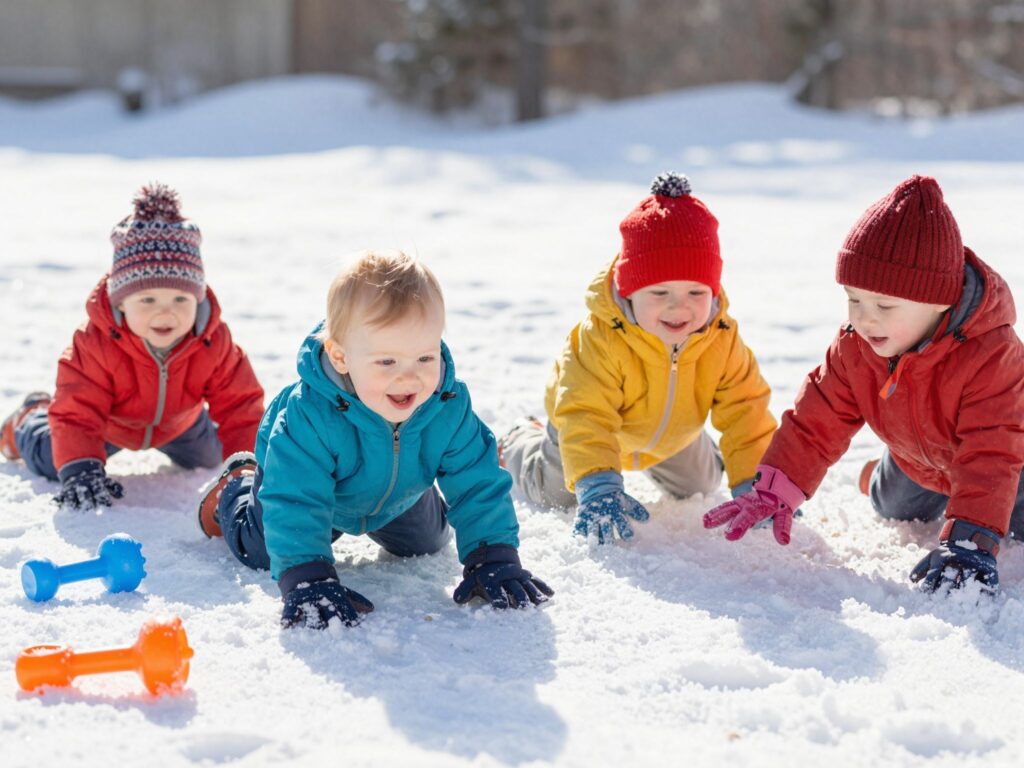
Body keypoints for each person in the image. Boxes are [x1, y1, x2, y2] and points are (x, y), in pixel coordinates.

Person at [704, 175, 1024, 594]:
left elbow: (992, 451)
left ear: (940, 300)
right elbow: (817, 418)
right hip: (917, 461)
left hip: (1010, 467)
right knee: (890, 506)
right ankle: (877, 477)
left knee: (1010, 526)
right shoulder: (857, 346)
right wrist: (776, 487)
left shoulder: (991, 354)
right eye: (854, 299)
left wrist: (971, 542)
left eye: (884, 306)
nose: (865, 317)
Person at [198, 251, 552, 629]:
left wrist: (493, 555)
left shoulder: (446, 403)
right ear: (340, 357)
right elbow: (295, 499)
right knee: (262, 551)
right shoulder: (308, 416)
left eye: (424, 358)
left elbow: (475, 479)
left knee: (427, 541)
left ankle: (411, 489)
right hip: (313, 494)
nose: (409, 377)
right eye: (387, 362)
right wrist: (308, 577)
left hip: (396, 493)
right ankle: (239, 485)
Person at [499, 172, 777, 544]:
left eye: (696, 291)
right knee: (555, 493)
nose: (679, 306)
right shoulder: (600, 338)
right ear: (630, 293)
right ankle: (521, 440)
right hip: (590, 430)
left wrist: (757, 485)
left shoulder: (721, 338)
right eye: (660, 292)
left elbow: (747, 410)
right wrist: (597, 482)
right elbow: (586, 414)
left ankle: (701, 448)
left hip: (671, 435)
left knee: (701, 485)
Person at [0, 183, 264, 510]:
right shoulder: (95, 343)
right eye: (148, 299)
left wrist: (248, 466)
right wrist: (80, 465)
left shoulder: (212, 340)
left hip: (181, 422)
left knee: (212, 457)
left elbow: (241, 406)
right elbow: (78, 411)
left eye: (181, 298)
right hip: (110, 426)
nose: (165, 311)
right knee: (55, 460)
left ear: (198, 299)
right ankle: (28, 419)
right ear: (121, 302)